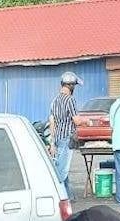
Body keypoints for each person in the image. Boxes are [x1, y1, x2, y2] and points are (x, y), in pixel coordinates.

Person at [48, 72, 84, 200]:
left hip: (57, 138)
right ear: (71, 86)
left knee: (62, 167)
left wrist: (52, 143)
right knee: (61, 172)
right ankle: (59, 198)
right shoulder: (70, 100)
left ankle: (69, 196)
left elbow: (52, 122)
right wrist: (87, 121)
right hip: (67, 139)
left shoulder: (55, 100)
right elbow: (77, 121)